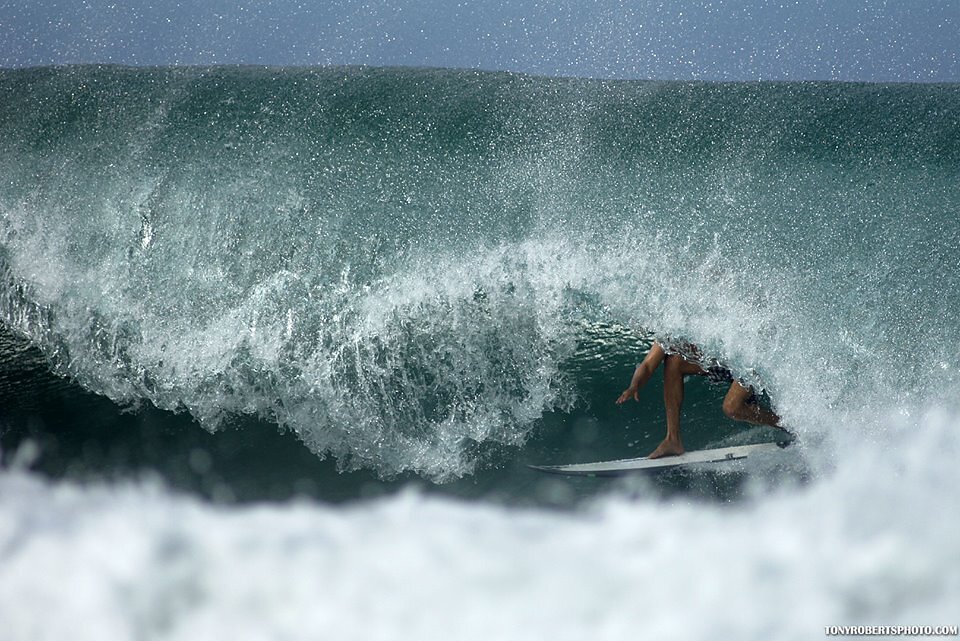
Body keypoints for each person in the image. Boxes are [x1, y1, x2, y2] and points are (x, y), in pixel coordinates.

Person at [616, 341, 782, 459]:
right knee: (673, 361)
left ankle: (788, 424)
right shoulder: (669, 326)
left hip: (749, 360)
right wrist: (634, 386)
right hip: (722, 364)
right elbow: (646, 365)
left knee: (732, 407)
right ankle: (673, 439)